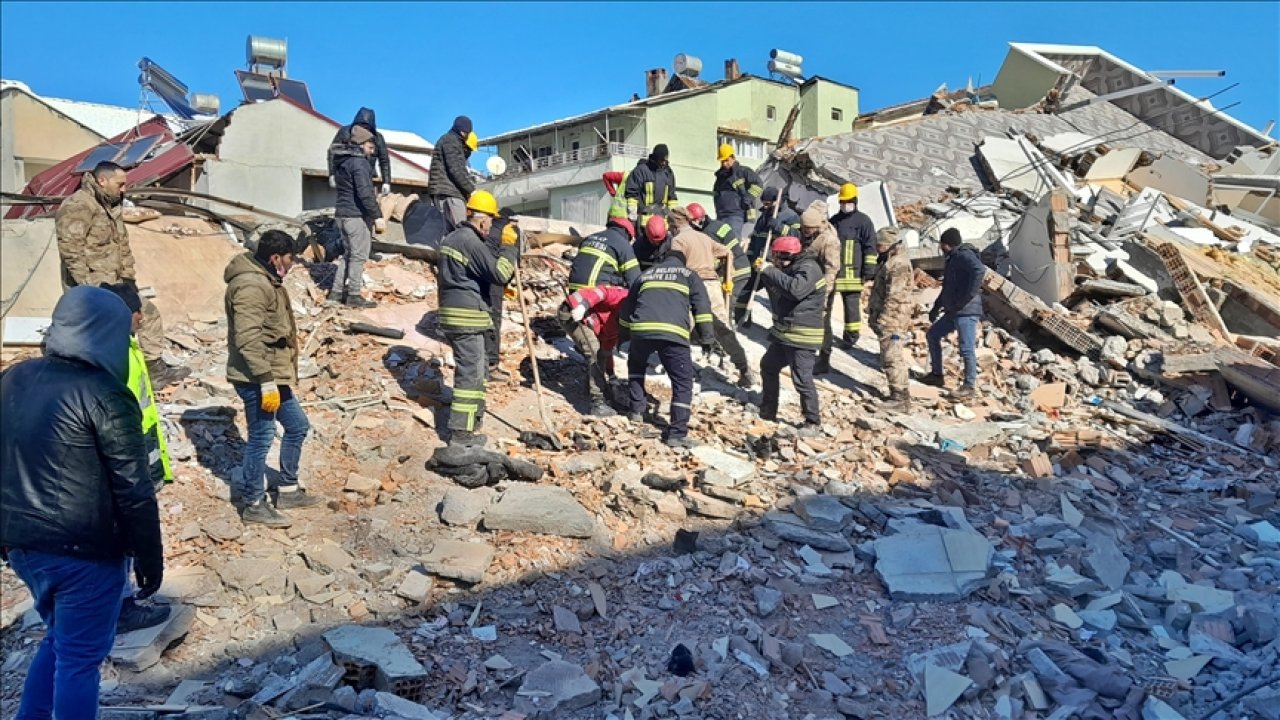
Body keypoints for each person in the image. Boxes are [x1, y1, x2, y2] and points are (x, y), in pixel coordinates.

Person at [1, 286, 164, 718]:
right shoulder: (106, 394)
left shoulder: (14, 378)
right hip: (84, 554)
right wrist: (150, 557)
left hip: (24, 548)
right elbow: (134, 487)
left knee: (60, 640)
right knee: (80, 662)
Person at [55, 160, 188, 388]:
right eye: (120, 184)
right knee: (99, 332)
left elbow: (122, 246)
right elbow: (71, 250)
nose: (124, 189)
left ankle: (153, 369)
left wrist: (129, 281)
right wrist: (89, 290)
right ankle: (97, 379)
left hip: (116, 283)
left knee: (147, 314)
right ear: (102, 181)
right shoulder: (79, 206)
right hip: (94, 288)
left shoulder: (111, 206)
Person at [225, 230, 324, 527]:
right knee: (262, 437)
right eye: (291, 259)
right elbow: (248, 338)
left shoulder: (267, 278)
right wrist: (265, 379)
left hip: (272, 375)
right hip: (256, 377)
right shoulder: (252, 287)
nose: (292, 265)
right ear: (275, 257)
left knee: (297, 426)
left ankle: (288, 490)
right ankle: (254, 502)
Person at [100, 281, 175, 633]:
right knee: (124, 528)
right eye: (137, 313)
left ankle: (122, 599)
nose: (143, 318)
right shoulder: (110, 354)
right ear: (126, 316)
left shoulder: (125, 346)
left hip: (137, 442)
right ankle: (122, 606)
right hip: (124, 450)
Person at [437, 190, 519, 447]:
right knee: (470, 376)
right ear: (482, 220)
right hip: (467, 316)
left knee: (478, 370)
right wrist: (509, 248)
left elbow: (473, 273)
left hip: (456, 313)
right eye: (491, 223)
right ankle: (461, 435)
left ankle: (474, 422)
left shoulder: (452, 237)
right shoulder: (470, 241)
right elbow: (499, 273)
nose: (490, 228)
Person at [620, 243, 715, 449]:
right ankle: (677, 433)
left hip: (642, 330)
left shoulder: (646, 274)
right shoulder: (689, 274)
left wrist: (624, 334)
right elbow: (703, 309)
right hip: (673, 334)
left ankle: (636, 410)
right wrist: (707, 338)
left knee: (636, 367)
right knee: (682, 381)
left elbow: (627, 308)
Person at [668, 206, 756, 388]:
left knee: (685, 325)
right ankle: (744, 370)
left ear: (674, 225)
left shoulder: (678, 241)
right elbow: (727, 252)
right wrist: (727, 277)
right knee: (724, 329)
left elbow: (675, 267)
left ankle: (681, 370)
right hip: (713, 286)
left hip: (694, 286)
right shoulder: (704, 237)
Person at [754, 236, 826, 436]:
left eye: (778, 258)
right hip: (785, 332)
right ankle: (768, 409)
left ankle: (813, 421)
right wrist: (761, 272)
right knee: (769, 366)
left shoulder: (809, 268)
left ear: (789, 256)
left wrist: (770, 271)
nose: (776, 261)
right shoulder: (787, 269)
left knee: (802, 378)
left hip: (803, 333)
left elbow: (795, 290)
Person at [922, 228, 985, 398]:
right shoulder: (952, 259)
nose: (941, 248)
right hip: (953, 310)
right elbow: (948, 287)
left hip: (966, 311)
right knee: (933, 335)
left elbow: (979, 270)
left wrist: (968, 296)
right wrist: (936, 307)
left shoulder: (964, 255)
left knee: (966, 348)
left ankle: (969, 386)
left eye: (942, 244)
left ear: (947, 244)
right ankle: (937, 375)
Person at [329, 126, 385, 309]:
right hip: (355, 215)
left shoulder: (343, 160)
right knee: (358, 256)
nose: (373, 151)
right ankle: (353, 295)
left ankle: (336, 293)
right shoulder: (359, 164)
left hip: (342, 214)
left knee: (348, 255)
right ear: (362, 144)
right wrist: (377, 216)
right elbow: (365, 193)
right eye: (370, 146)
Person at [559, 284, 630, 417]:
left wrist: (611, 375)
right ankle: (597, 402)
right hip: (573, 311)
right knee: (593, 351)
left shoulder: (619, 327)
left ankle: (592, 387)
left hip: (589, 319)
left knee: (600, 354)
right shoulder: (624, 297)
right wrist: (584, 306)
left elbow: (606, 351)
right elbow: (602, 291)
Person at [866, 227, 916, 412]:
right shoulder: (891, 260)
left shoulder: (898, 264)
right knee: (889, 355)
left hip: (894, 320)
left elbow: (895, 297)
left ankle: (900, 398)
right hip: (890, 317)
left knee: (892, 357)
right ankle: (898, 394)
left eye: (879, 245)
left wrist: (885, 319)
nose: (877, 248)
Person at [737, 187, 801, 325]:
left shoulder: (791, 216)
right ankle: (741, 318)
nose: (765, 206)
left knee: (776, 297)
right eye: (764, 203)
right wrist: (749, 259)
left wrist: (778, 226)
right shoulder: (763, 217)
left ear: (777, 202)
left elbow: (796, 237)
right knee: (745, 288)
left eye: (768, 203)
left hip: (775, 264)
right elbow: (755, 238)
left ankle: (778, 325)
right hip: (758, 261)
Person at [830, 183, 877, 348]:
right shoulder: (834, 221)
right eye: (843, 201)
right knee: (825, 304)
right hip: (834, 272)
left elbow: (870, 247)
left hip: (853, 274)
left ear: (855, 201)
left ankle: (850, 337)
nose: (845, 204)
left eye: (848, 201)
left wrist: (869, 270)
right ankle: (823, 332)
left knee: (851, 308)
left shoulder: (864, 222)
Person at [798, 202, 842, 374]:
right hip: (807, 281)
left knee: (822, 322)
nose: (805, 232)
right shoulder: (810, 234)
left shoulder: (829, 241)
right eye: (804, 228)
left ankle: (824, 358)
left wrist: (824, 292)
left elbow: (832, 268)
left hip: (822, 286)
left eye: (808, 229)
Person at [483, 208, 521, 382]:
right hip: (495, 279)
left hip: (477, 276)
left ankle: (480, 362)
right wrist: (506, 284)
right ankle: (491, 365)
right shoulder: (510, 231)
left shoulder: (486, 226)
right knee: (493, 320)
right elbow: (513, 261)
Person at [427, 115, 478, 233]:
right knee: (461, 231)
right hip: (449, 193)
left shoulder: (449, 140)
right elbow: (456, 169)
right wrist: (471, 190)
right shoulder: (451, 142)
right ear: (463, 132)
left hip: (444, 191)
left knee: (449, 233)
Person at [328, 106, 392, 196]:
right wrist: (332, 173)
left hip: (366, 176)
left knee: (365, 199)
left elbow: (384, 160)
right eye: (361, 125)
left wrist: (386, 181)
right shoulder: (345, 132)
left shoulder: (378, 138)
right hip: (345, 175)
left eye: (366, 127)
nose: (363, 129)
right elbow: (332, 152)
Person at [712, 143, 764, 242]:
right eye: (722, 161)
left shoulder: (743, 172)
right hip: (721, 215)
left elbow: (758, 184)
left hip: (737, 214)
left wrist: (747, 198)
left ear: (733, 158)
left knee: (733, 241)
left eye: (726, 160)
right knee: (721, 242)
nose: (724, 164)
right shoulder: (720, 178)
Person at [624, 144, 677, 226]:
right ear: (656, 158)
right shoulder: (641, 171)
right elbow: (632, 194)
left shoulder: (668, 173)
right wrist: (632, 216)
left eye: (665, 160)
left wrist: (673, 218)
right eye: (661, 160)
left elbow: (672, 197)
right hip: (644, 223)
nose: (663, 162)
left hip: (663, 223)